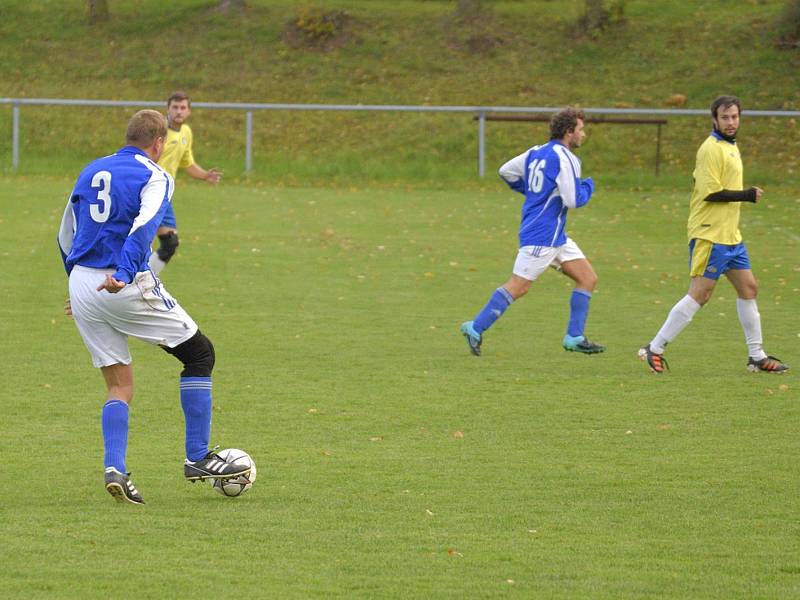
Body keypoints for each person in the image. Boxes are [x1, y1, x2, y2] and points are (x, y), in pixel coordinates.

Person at [58, 110, 249, 505]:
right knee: (200, 354)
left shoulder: (91, 170)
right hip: (122, 282)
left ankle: (116, 469)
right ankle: (197, 457)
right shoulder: (157, 175)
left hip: (83, 282)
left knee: (118, 385)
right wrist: (125, 274)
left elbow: (66, 232)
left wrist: (75, 284)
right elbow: (144, 227)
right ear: (159, 144)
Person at [639, 95, 788, 374]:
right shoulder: (711, 149)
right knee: (700, 295)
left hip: (731, 236)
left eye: (735, 117)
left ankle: (756, 356)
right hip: (710, 235)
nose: (731, 122)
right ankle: (654, 348)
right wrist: (747, 195)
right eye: (725, 117)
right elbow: (711, 193)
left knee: (749, 288)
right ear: (714, 119)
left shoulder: (730, 146)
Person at [460, 107, 605, 356]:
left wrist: (531, 191)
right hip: (542, 235)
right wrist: (588, 187)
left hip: (555, 235)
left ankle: (574, 336)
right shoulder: (567, 158)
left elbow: (505, 171)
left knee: (587, 278)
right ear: (569, 132)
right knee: (519, 286)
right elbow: (572, 199)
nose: (584, 134)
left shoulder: (535, 152)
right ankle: (475, 326)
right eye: (581, 129)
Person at [148, 91, 222, 274]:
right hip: (147, 191)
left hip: (164, 195)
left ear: (189, 111)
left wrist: (205, 175)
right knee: (141, 244)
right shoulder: (158, 132)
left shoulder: (186, 132)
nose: (178, 111)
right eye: (175, 107)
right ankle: (129, 283)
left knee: (170, 243)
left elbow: (186, 162)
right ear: (168, 109)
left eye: (183, 108)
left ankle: (144, 282)